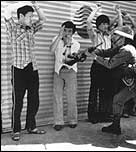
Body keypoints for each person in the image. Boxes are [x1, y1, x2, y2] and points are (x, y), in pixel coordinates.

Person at [4, 1, 46, 141]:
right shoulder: (12, 27)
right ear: (21, 16)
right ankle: (15, 130)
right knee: (18, 102)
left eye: (31, 17)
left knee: (34, 100)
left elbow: (43, 19)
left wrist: (35, 5)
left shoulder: (32, 28)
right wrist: (25, 2)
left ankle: (31, 126)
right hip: (18, 69)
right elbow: (7, 10)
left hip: (32, 68)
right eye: (29, 16)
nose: (31, 19)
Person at [86, 4, 122, 123]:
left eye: (107, 24)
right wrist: (96, 10)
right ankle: (92, 116)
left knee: (106, 91)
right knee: (94, 91)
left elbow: (120, 26)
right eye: (103, 24)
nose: (105, 26)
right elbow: (88, 21)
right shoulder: (94, 35)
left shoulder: (109, 35)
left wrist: (118, 13)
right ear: (98, 25)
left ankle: (104, 114)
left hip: (107, 66)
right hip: (97, 65)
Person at [50, 21, 80, 131]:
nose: (67, 33)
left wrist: (68, 43)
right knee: (57, 97)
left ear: (73, 33)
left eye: (69, 31)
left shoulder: (76, 44)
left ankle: (72, 120)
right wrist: (59, 36)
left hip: (70, 71)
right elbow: (51, 50)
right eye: (65, 30)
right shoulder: (56, 39)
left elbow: (68, 59)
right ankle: (58, 121)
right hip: (58, 71)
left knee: (71, 97)